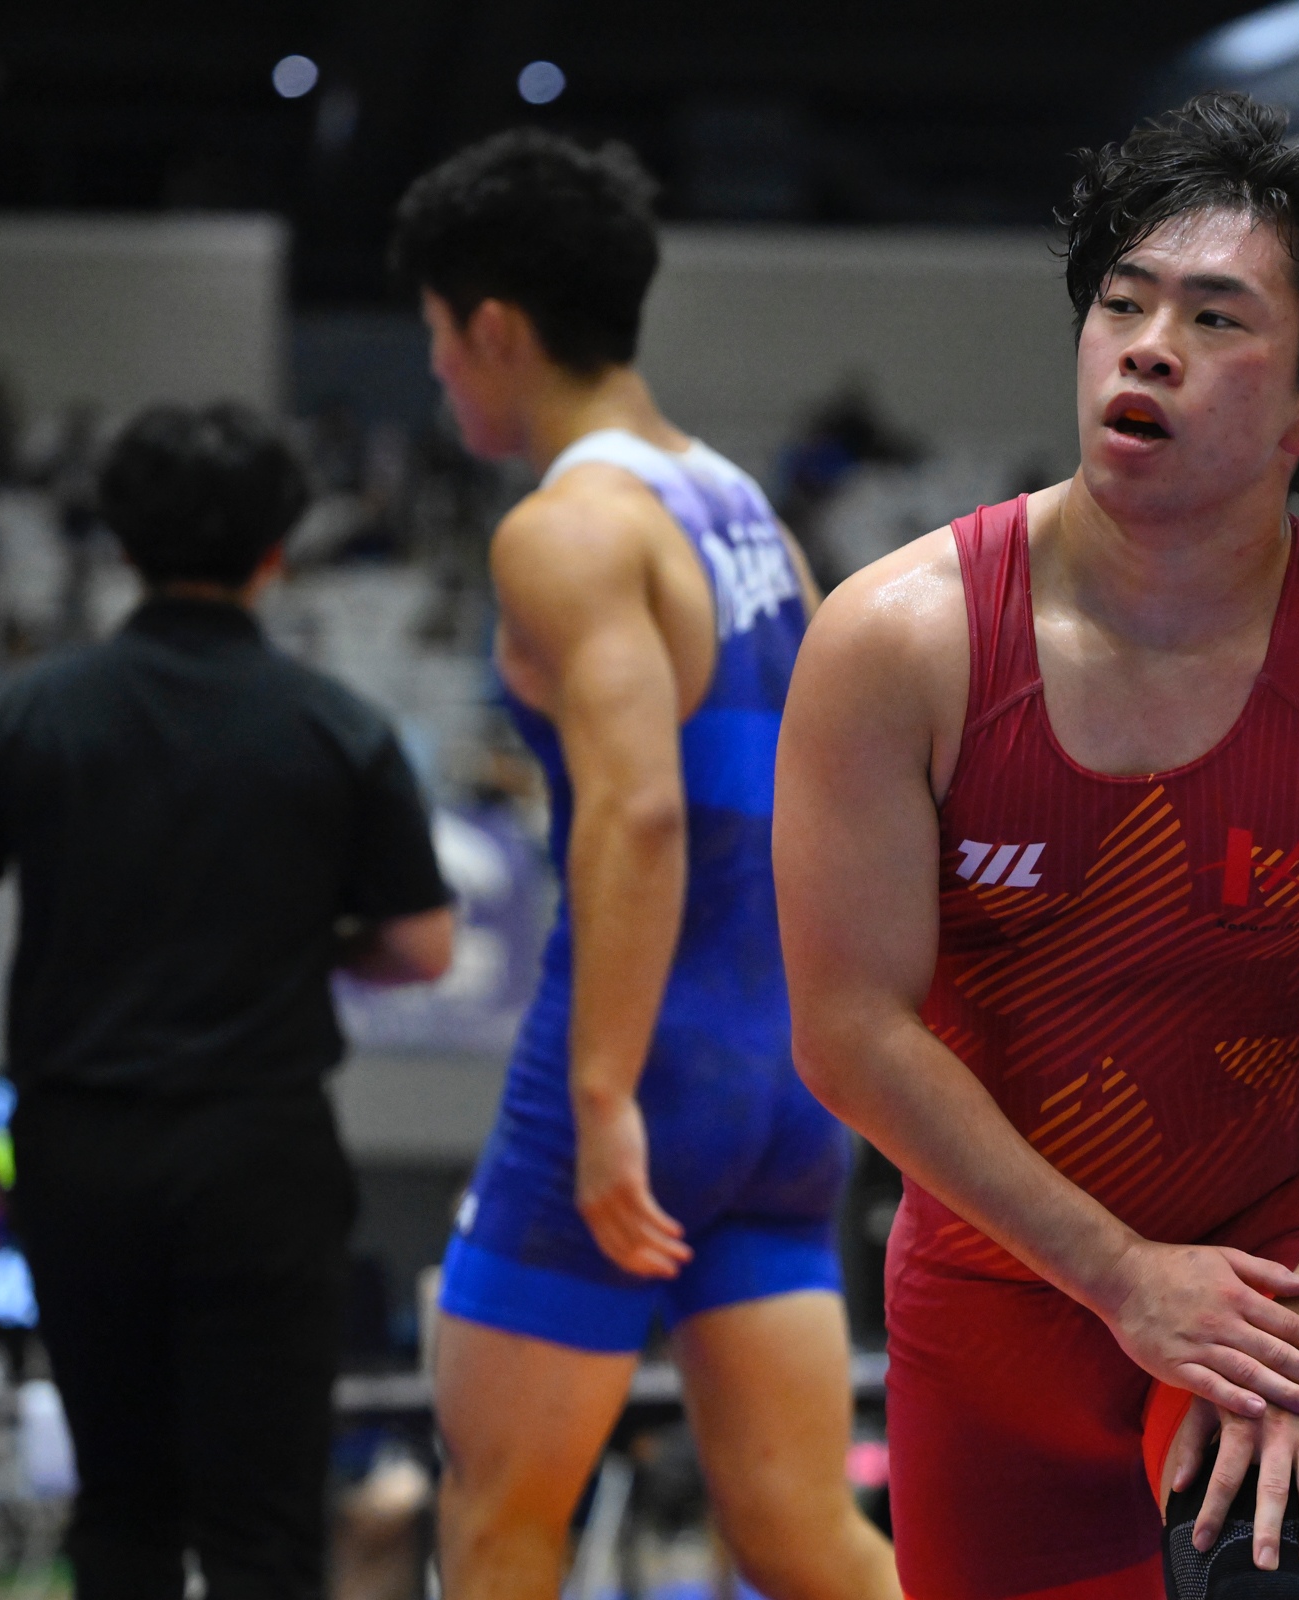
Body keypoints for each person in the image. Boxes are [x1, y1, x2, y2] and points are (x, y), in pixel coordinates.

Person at [775, 92, 1299, 1600]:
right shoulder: (899, 642)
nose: (1147, 346)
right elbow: (849, 1031)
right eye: (1122, 304)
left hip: (1278, 1270)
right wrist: (1123, 1279)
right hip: (993, 1296)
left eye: (1216, 318)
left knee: (1275, 1564)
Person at [388, 130, 898, 1600]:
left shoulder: (568, 531)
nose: (438, 373)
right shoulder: (754, 520)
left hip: (644, 1071)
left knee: (500, 1518)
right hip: (783, 1087)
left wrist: (605, 1095)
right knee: (804, 1535)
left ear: (494, 328)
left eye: (437, 338)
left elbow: (640, 812)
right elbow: (840, 792)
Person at [0, 402, 456, 1600]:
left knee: (123, 1515)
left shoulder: (27, 712)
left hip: (82, 1151)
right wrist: (303, 947)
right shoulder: (336, 726)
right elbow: (422, 945)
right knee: (265, 1532)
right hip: (260, 1152)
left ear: (122, 545)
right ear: (276, 551)